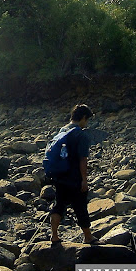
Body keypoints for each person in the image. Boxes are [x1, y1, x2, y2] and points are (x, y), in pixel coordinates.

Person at [49, 104, 100, 245]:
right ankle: (88, 237)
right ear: (83, 118)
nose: (86, 123)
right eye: (87, 120)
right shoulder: (81, 134)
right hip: (74, 176)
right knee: (80, 206)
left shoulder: (62, 131)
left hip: (59, 175)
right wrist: (84, 180)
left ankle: (54, 235)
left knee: (59, 205)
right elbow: (83, 160)